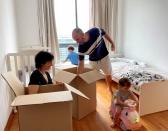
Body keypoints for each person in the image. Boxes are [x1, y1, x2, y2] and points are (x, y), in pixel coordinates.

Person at [72, 27, 115, 94]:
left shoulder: (95, 31)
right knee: (93, 77)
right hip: (93, 61)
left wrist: (112, 43)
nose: (77, 42)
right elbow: (80, 63)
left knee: (108, 74)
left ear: (83, 34)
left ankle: (109, 88)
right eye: (75, 40)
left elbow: (104, 33)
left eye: (77, 39)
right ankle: (93, 91)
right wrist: (78, 76)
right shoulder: (81, 47)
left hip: (104, 57)